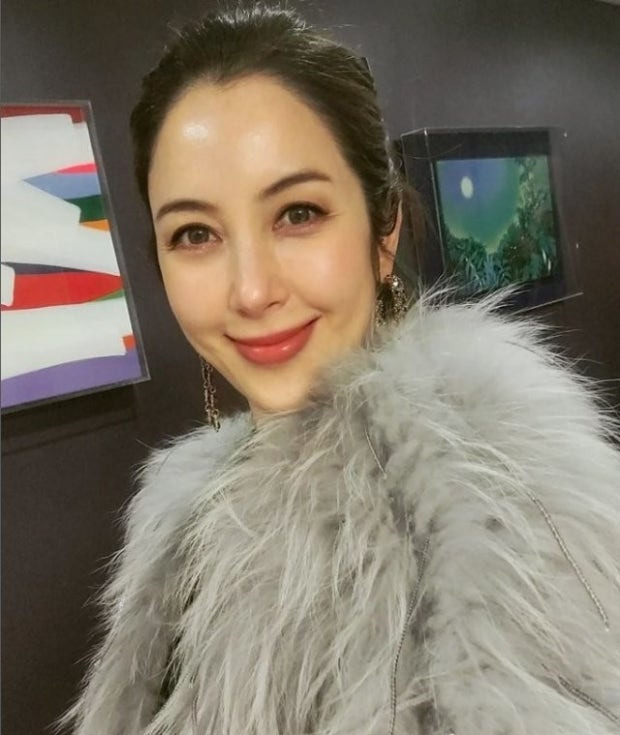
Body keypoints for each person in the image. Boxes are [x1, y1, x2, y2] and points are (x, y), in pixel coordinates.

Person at [65, 5, 620, 734]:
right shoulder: (190, 507)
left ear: (383, 231)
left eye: (297, 214)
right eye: (195, 233)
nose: (251, 290)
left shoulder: (497, 509)